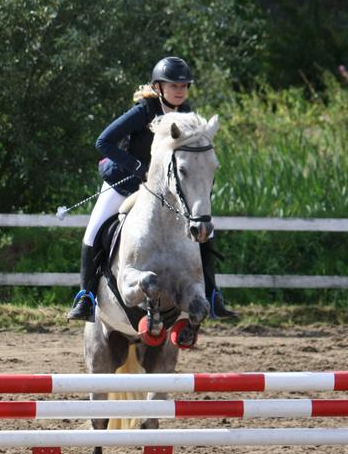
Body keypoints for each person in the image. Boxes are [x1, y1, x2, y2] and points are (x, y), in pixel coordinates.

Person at [66, 56, 237, 322]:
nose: (180, 91)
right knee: (94, 231)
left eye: (184, 86)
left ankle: (213, 295)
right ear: (158, 87)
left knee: (202, 230)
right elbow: (104, 141)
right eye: (174, 86)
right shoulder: (144, 111)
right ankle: (86, 297)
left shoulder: (187, 115)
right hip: (125, 182)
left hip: (165, 191)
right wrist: (136, 166)